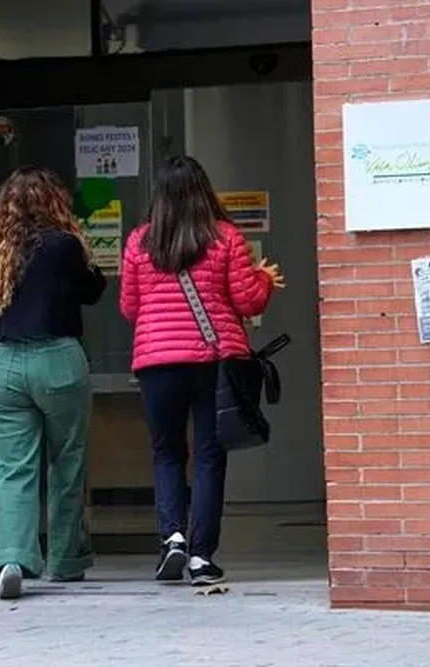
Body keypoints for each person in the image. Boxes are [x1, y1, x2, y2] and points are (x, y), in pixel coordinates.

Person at [119, 156, 284, 587]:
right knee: (210, 456)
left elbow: (129, 307)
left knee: (167, 453)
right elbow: (248, 301)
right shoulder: (225, 237)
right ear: (202, 191)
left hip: (156, 363)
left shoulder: (139, 242)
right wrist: (264, 279)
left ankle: (172, 538)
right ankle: (200, 557)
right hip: (213, 362)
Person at [0, 166, 107, 600]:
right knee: (66, 462)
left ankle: (11, 557)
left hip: (5, 366)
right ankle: (64, 560)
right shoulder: (63, 244)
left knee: (11, 468)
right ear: (53, 202)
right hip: (57, 359)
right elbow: (91, 290)